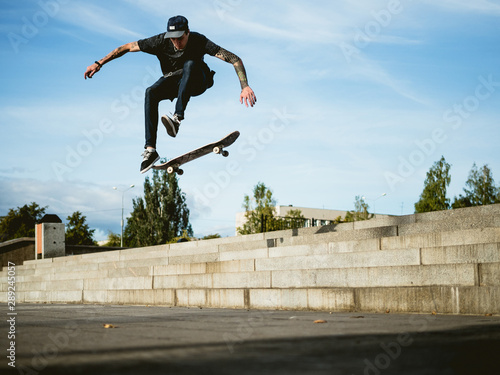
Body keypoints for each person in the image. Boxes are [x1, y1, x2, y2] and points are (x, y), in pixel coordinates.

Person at [84, 15, 257, 173]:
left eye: (180, 38)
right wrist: (99, 63)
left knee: (189, 64)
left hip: (198, 80)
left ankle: (177, 118)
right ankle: (150, 150)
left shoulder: (199, 40)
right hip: (175, 82)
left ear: (188, 32)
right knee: (151, 92)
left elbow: (234, 59)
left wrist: (245, 86)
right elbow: (127, 47)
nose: (176, 42)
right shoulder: (159, 41)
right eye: (173, 39)